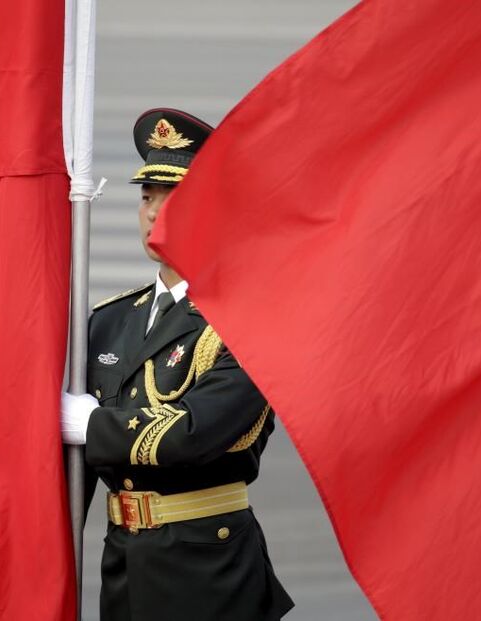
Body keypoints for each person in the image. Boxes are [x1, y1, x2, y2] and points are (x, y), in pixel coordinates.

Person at [62, 108, 293, 621]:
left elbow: (193, 433)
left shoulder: (249, 320)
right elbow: (72, 479)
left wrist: (91, 425)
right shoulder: (109, 321)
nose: (152, 213)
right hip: (124, 567)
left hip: (208, 571)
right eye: (147, 197)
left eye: (173, 199)